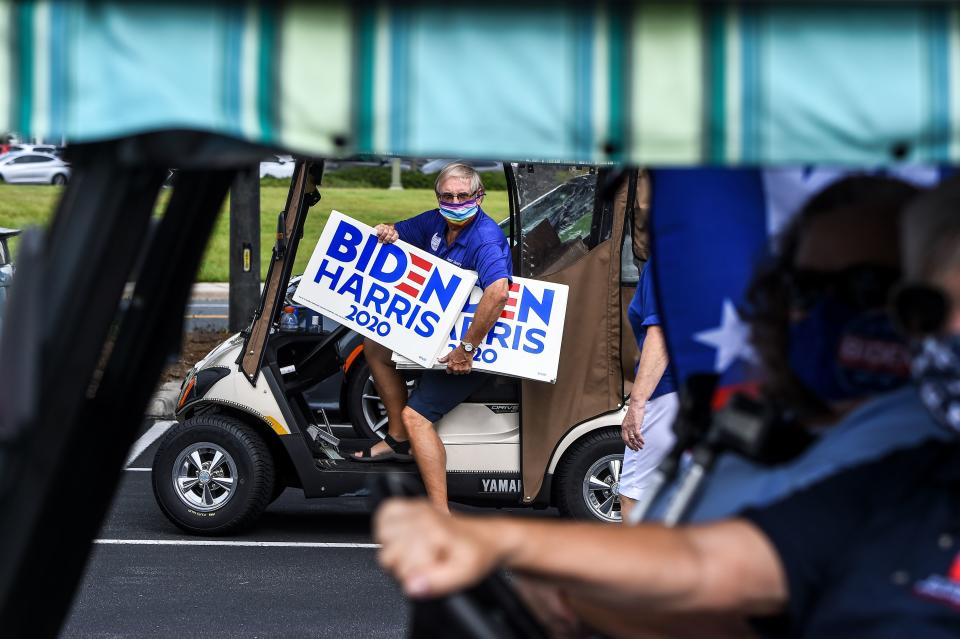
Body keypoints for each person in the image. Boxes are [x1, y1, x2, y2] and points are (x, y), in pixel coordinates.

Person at [374, 178, 960, 638]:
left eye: (873, 296)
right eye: (800, 294)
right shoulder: (887, 472)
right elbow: (712, 568)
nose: (819, 319)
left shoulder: (899, 442)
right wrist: (509, 551)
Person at [671, 176, 948, 522]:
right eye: (806, 289)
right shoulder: (740, 455)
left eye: (867, 287)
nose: (828, 312)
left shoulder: (938, 467)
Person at [351, 162, 511, 513]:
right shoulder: (437, 223)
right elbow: (398, 231)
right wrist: (387, 233)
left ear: (479, 197)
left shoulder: (484, 238)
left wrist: (465, 350)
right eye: (447, 196)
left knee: (417, 417)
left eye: (463, 196)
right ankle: (396, 438)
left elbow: (498, 293)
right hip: (438, 332)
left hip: (476, 346)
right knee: (374, 345)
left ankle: (441, 516)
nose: (455, 202)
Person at [619, 259, 678, 523]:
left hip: (667, 389)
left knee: (634, 496)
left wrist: (638, 402)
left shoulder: (669, 259)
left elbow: (662, 331)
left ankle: (641, 564)